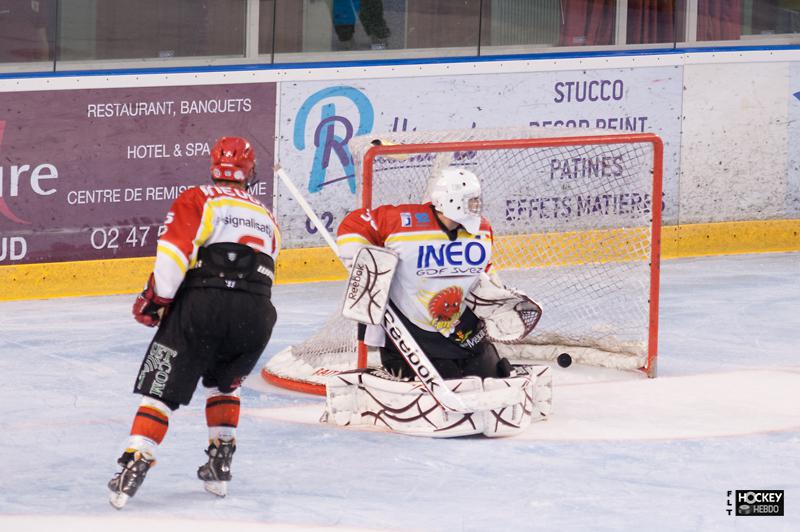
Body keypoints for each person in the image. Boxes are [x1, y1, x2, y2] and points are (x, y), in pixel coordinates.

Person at [107, 136, 280, 509]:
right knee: (225, 385)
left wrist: (157, 300)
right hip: (257, 313)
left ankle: (136, 459)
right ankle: (220, 462)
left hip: (203, 305)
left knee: (161, 392)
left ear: (213, 165)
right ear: (251, 171)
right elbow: (267, 270)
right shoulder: (266, 214)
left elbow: (173, 253)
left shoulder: (198, 197)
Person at [336, 166, 511, 381]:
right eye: (471, 200)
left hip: (462, 329)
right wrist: (363, 265)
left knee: (495, 377)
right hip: (411, 330)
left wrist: (498, 293)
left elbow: (482, 270)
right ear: (451, 200)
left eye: (477, 200)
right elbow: (354, 223)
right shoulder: (402, 221)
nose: (477, 205)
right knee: (447, 382)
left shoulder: (482, 228)